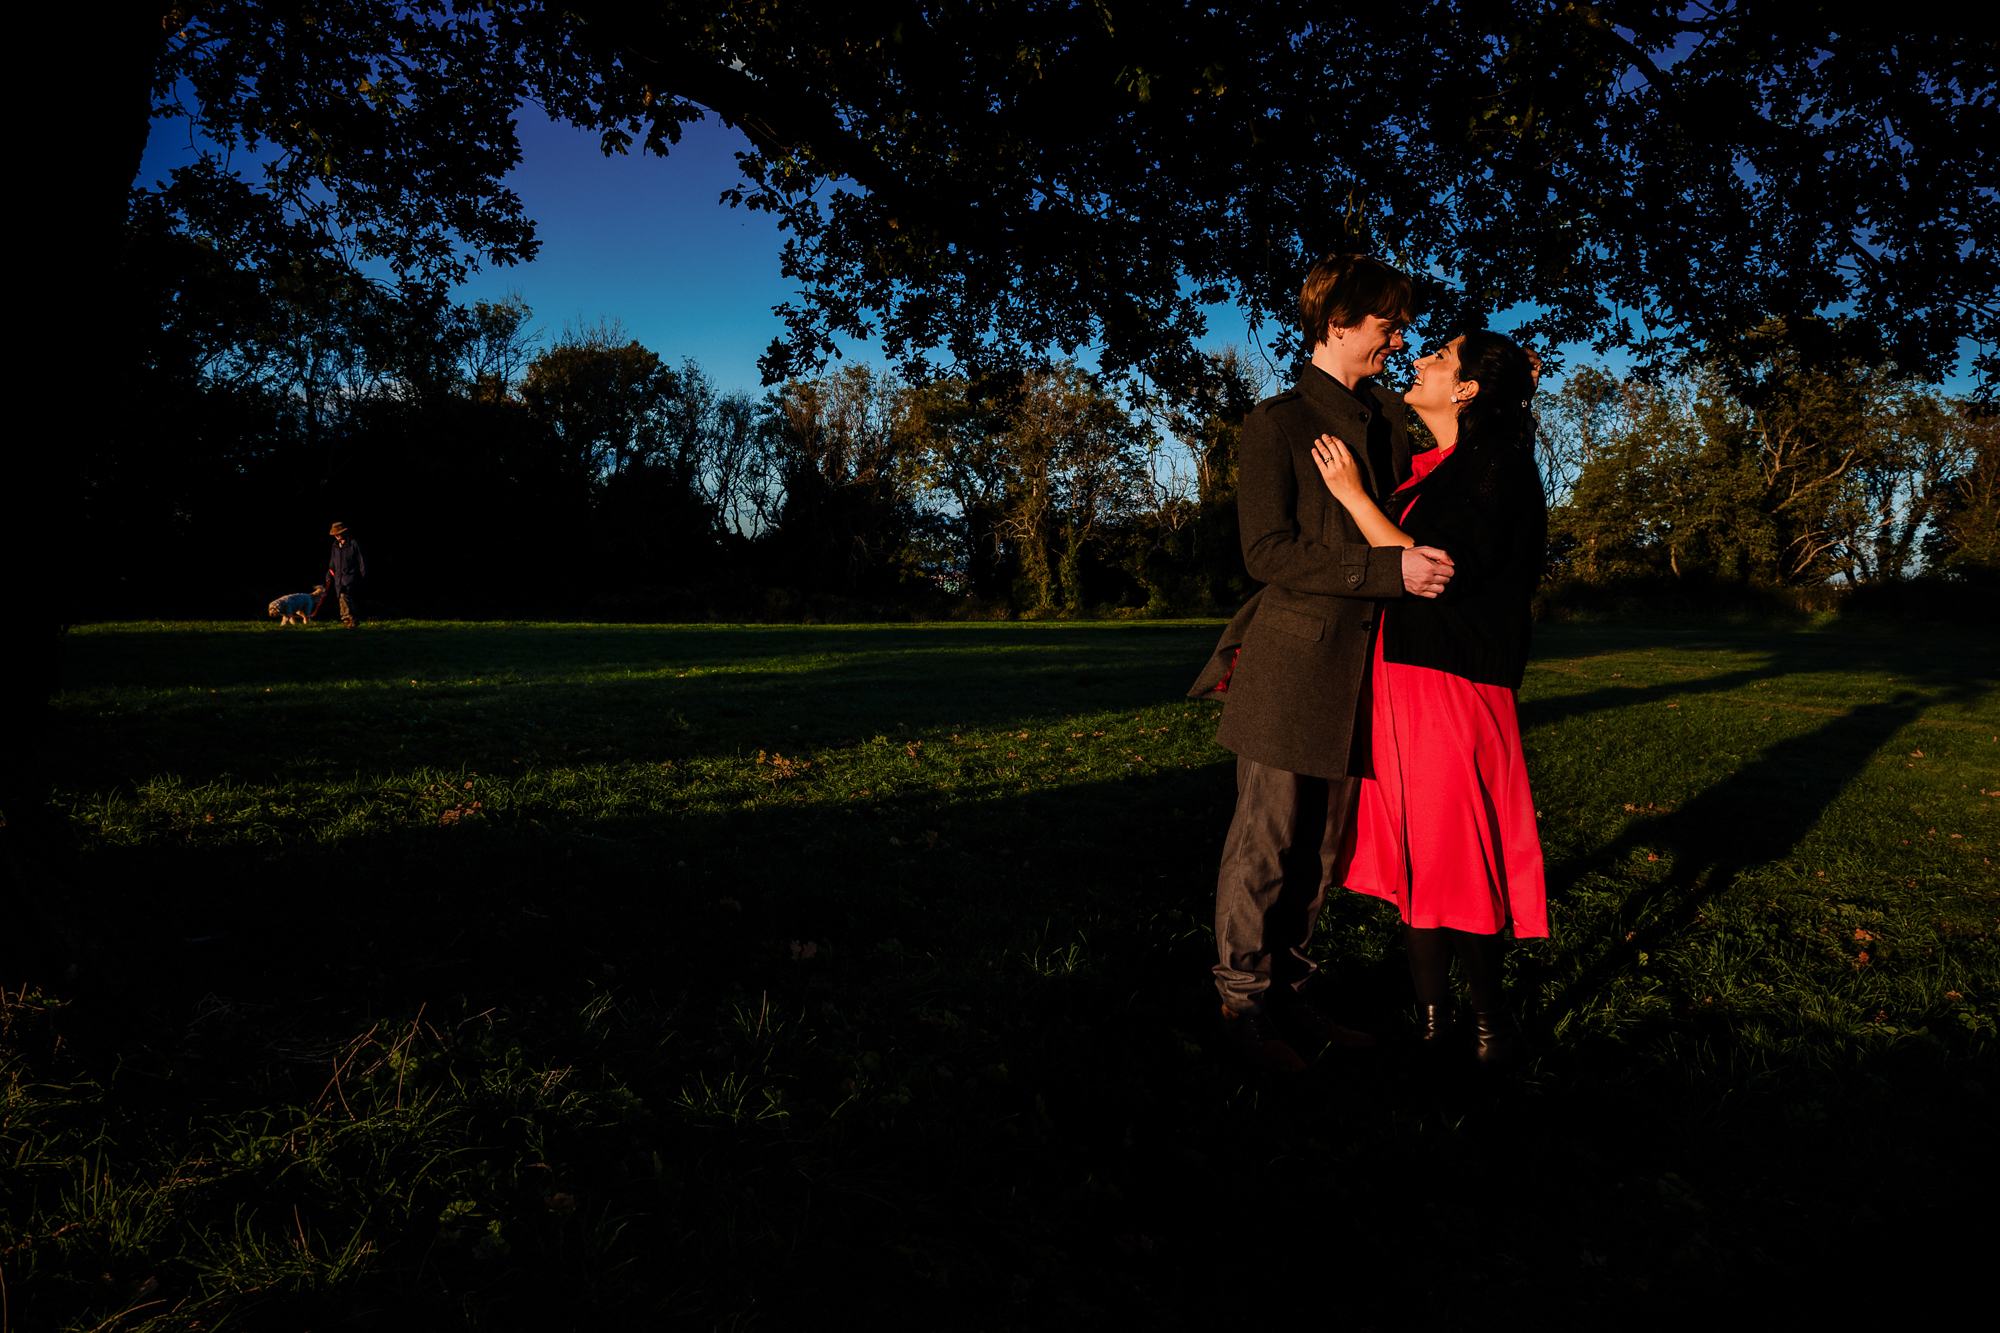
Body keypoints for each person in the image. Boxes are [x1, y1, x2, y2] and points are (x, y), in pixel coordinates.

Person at [1186, 254, 1459, 1074]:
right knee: (1264, 845)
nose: (1399, 338)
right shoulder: (1275, 422)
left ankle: (1293, 993)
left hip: (1369, 667)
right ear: (1337, 323)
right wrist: (1384, 574)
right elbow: (1266, 551)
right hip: (1291, 665)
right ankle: (1240, 1003)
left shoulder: (1387, 415)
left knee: (1325, 852)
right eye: (1387, 323)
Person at [1308, 329, 1549, 1070]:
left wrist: (1350, 496)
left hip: (1451, 682)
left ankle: (1491, 1025)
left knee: (1457, 854)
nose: (1418, 361)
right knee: (1415, 851)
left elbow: (1434, 567)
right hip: (1399, 676)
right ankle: (1436, 1023)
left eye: (1439, 358)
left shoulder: (1498, 464)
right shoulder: (1425, 469)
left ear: (1468, 389)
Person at [326, 522, 368, 627]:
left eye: (338, 533)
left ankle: (353, 618)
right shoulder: (335, 545)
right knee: (341, 597)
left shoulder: (353, 543)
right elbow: (332, 562)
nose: (336, 536)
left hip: (350, 575)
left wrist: (363, 575)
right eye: (335, 534)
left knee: (345, 595)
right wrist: (329, 575)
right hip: (338, 577)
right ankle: (346, 620)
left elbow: (361, 560)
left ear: (344, 532)